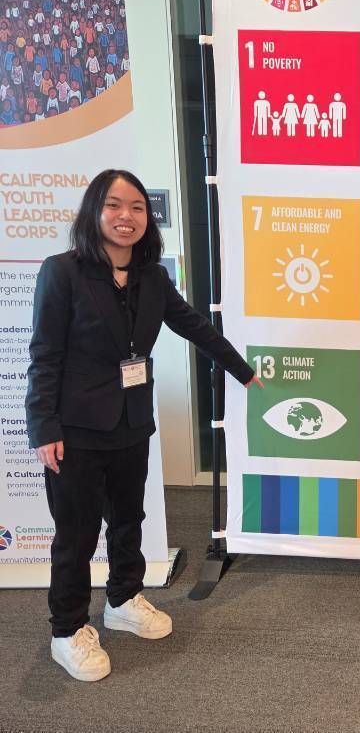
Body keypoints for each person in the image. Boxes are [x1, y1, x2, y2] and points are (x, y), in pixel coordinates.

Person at [26, 169, 264, 683]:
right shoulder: (62, 272)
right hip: (74, 430)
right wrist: (44, 426)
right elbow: (44, 355)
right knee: (76, 533)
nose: (126, 217)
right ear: (95, 212)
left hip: (132, 422)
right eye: (114, 206)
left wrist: (241, 370)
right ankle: (67, 629)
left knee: (129, 518)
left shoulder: (152, 277)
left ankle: (123, 599)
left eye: (136, 207)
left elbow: (194, 325)